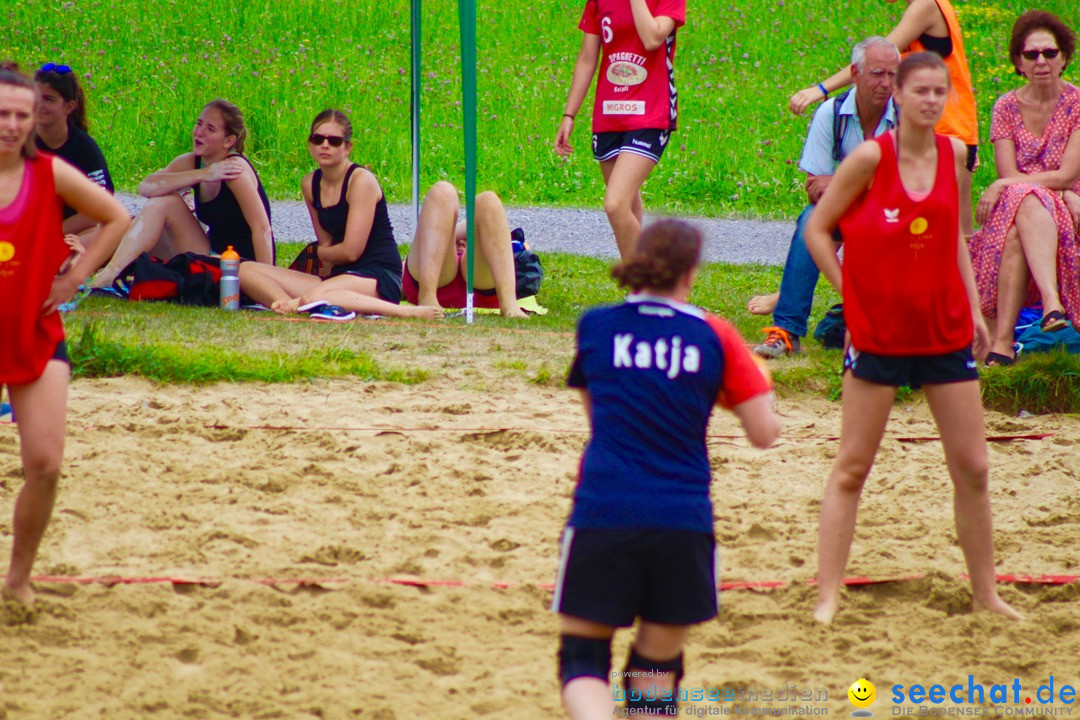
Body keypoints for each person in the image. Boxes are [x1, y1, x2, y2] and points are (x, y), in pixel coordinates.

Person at [804, 53, 1021, 625]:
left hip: (943, 328)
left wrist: (976, 310)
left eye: (938, 91)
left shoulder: (952, 154)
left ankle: (986, 594)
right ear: (897, 94)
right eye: (920, 90)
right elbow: (818, 230)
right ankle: (828, 596)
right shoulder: (871, 158)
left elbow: (953, 236)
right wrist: (851, 293)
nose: (931, 100)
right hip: (879, 332)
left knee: (973, 466)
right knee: (853, 466)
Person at [555, 219, 780, 719]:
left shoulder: (595, 324)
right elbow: (765, 434)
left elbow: (600, 421)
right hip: (682, 520)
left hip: (605, 510)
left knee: (583, 661)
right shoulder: (713, 335)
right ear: (690, 273)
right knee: (656, 670)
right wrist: (753, 380)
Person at [0, 66, 131, 608]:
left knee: (47, 464)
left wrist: (78, 277)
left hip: (34, 328)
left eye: (21, 115)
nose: (10, 124)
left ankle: (18, 581)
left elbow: (117, 217)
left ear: (35, 121)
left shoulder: (51, 173)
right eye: (2, 114)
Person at [749, 37, 899, 359]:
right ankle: (786, 330)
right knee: (811, 220)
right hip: (849, 211)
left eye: (892, 74)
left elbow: (909, 187)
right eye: (877, 74)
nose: (886, 83)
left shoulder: (906, 116)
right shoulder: (831, 112)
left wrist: (845, 183)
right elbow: (816, 188)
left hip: (893, 216)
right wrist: (870, 185)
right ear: (855, 73)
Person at [789, 0, 980, 237]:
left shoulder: (926, 5)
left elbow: (880, 55)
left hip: (946, 130)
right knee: (947, 233)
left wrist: (821, 89)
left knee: (952, 235)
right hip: (946, 128)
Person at [238, 109, 439, 320]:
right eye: (317, 139)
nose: (324, 145)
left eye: (334, 141)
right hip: (338, 277)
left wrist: (323, 254)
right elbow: (325, 241)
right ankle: (289, 305)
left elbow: (350, 251)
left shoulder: (361, 181)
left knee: (316, 295)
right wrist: (325, 254)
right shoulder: (309, 183)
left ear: (347, 147)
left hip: (375, 274)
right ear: (310, 144)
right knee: (245, 270)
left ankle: (405, 311)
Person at [968, 11, 1080, 367]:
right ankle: (1051, 306)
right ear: (1018, 61)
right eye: (1031, 55)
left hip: (1066, 201)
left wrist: (1004, 184)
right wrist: (1010, 182)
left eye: (1049, 52)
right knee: (1021, 203)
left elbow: (1066, 174)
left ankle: (1001, 344)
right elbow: (1009, 171)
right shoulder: (1005, 106)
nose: (1041, 61)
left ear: (1064, 57)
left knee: (1019, 203)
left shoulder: (1077, 103)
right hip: (1021, 206)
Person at [91, 99, 273, 287]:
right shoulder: (194, 163)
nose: (199, 132)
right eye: (199, 123)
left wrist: (266, 281)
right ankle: (93, 268)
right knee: (138, 221)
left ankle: (110, 275)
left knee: (166, 202)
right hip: (210, 253)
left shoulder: (234, 171)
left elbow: (262, 228)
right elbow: (146, 187)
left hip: (237, 266)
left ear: (229, 141)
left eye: (210, 129)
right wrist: (202, 174)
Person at [554, 0, 686, 260]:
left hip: (651, 112)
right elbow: (587, 59)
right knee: (627, 211)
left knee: (614, 205)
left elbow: (652, 39)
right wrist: (569, 114)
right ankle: (639, 295)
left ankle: (653, 285)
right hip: (609, 114)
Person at [402, 181, 527, 318]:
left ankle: (509, 303)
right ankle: (427, 296)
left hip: (479, 282)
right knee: (443, 191)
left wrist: (452, 232)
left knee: (488, 200)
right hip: (432, 278)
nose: (461, 242)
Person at [33, 62, 115, 241]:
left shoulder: (85, 149)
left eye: (48, 99)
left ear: (69, 107)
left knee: (107, 233)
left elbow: (99, 209)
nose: (39, 104)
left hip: (66, 233)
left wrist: (48, 235)